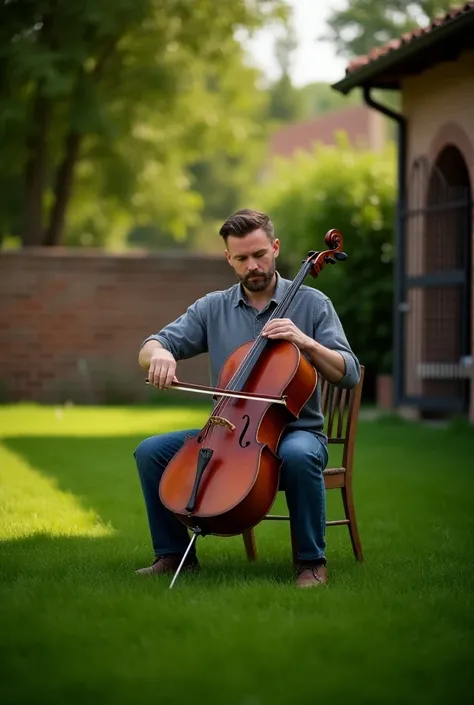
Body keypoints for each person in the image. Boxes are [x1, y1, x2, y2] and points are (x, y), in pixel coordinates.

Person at [133, 209, 360, 588]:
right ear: (228, 258)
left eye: (259, 255)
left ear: (274, 248)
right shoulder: (212, 308)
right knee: (150, 451)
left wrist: (304, 341)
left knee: (298, 454)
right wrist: (159, 354)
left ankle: (311, 563)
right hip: (230, 431)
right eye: (241, 258)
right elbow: (154, 343)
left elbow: (348, 372)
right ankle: (174, 556)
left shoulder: (313, 304)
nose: (252, 265)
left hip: (298, 431)